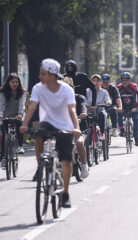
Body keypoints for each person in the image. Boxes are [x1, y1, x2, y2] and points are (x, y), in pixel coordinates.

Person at [20, 58, 81, 208]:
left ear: (53, 75)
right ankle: (40, 166)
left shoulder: (67, 90)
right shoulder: (38, 88)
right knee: (39, 135)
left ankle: (65, 193)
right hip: (47, 122)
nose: (40, 77)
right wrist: (25, 124)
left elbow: (72, 109)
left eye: (43, 74)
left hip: (65, 125)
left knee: (66, 161)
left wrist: (76, 127)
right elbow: (32, 106)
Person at [63, 77, 89, 178]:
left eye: (69, 87)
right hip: (65, 129)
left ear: (73, 88)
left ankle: (83, 165)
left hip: (80, 127)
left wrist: (83, 113)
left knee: (78, 142)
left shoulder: (80, 98)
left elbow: (83, 106)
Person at [0, 73, 27, 169]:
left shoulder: (21, 92)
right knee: (3, 136)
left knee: (20, 125)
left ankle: (20, 146)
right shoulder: (3, 92)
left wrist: (20, 114)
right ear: (8, 83)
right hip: (4, 117)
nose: (15, 84)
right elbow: (1, 104)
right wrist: (1, 115)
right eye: (13, 82)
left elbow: (22, 104)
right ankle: (3, 158)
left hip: (17, 117)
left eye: (17, 82)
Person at [117, 72, 138, 146]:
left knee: (137, 121)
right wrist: (118, 107)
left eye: (126, 80)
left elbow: (137, 98)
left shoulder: (135, 87)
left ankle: (136, 138)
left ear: (130, 80)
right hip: (122, 108)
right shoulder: (118, 87)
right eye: (123, 80)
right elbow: (116, 98)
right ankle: (122, 130)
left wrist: (136, 107)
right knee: (119, 116)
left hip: (133, 107)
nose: (125, 82)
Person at [87, 74, 112, 140]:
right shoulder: (87, 91)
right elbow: (83, 100)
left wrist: (107, 103)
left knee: (102, 114)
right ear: (91, 82)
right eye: (94, 81)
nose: (96, 82)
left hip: (100, 111)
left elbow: (108, 100)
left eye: (98, 81)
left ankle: (102, 133)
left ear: (100, 82)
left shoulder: (104, 92)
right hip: (89, 112)